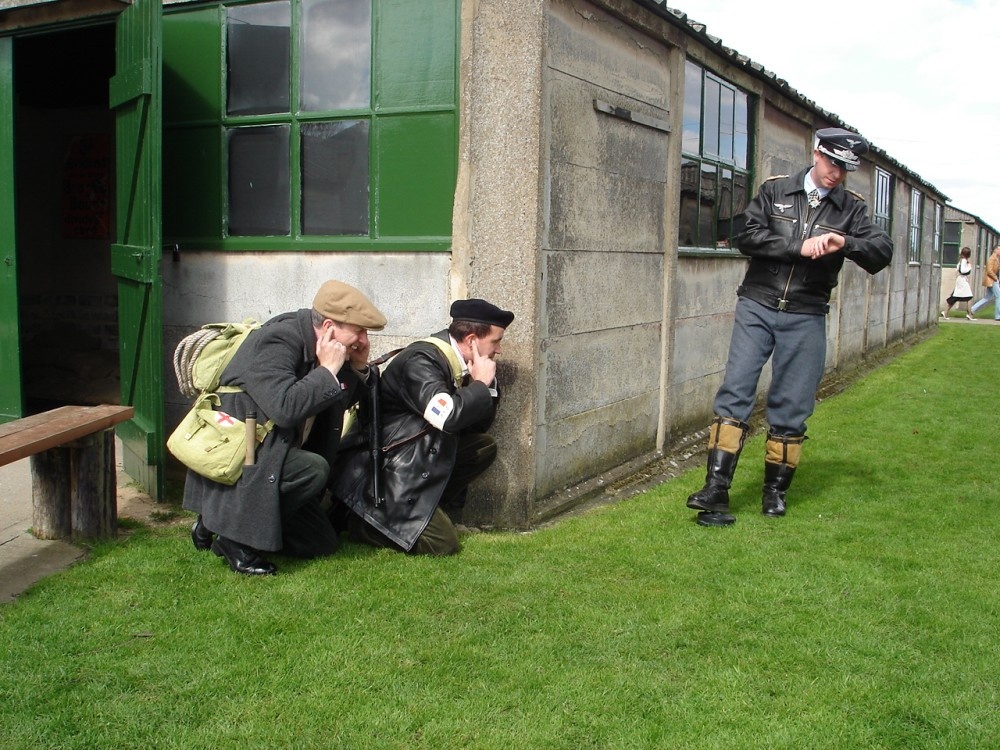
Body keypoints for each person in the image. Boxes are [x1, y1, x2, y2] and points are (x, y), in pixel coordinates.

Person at [686, 127, 893, 526]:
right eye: (832, 163)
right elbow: (746, 236)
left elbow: (881, 252)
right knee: (736, 392)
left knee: (792, 403)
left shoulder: (852, 209)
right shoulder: (775, 190)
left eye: (845, 168)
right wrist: (797, 247)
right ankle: (715, 488)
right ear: (816, 153)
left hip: (807, 312)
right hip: (757, 305)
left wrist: (845, 243)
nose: (836, 173)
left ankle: (774, 493)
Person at [183, 280, 387, 575]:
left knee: (320, 543)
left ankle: (215, 520)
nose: (363, 339)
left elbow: (339, 399)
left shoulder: (330, 348)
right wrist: (328, 370)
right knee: (312, 469)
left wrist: (358, 367)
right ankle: (233, 539)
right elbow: (285, 409)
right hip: (245, 453)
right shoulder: (278, 340)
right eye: (359, 331)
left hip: (274, 452)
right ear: (329, 326)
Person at [331, 298, 514, 555]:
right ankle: (363, 523)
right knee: (442, 545)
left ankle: (428, 511)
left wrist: (486, 385)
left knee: (482, 447)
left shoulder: (459, 364)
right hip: (388, 469)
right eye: (496, 341)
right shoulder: (421, 361)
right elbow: (447, 417)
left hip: (417, 458)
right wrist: (480, 385)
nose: (499, 350)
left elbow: (476, 427)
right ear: (472, 340)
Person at [941, 247, 975, 319]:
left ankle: (945, 312)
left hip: (962, 280)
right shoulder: (964, 261)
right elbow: (962, 270)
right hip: (962, 280)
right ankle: (969, 314)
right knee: (968, 296)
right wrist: (969, 267)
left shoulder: (962, 261)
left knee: (956, 297)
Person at [969, 245, 1000, 321]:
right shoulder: (992, 259)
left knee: (987, 297)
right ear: (995, 250)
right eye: (999, 249)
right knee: (998, 296)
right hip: (992, 280)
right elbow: (989, 271)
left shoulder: (996, 259)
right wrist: (996, 278)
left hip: (992, 280)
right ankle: (998, 316)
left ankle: (972, 310)